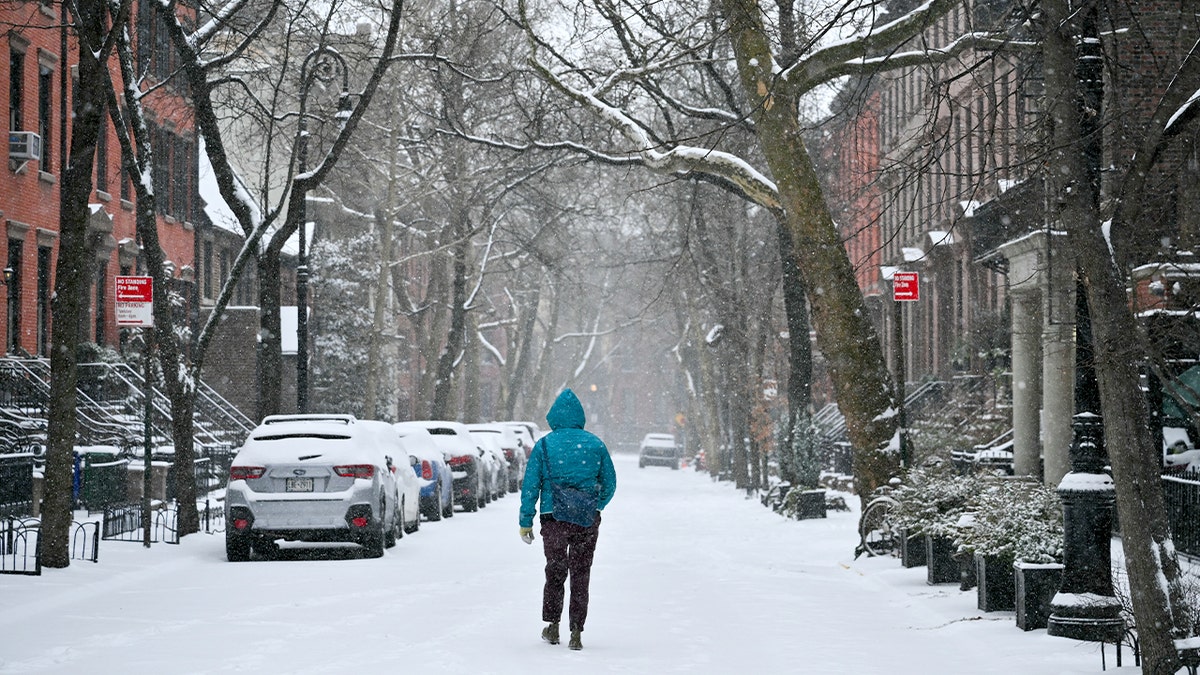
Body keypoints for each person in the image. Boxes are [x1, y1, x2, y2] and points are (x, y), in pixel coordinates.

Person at [519, 388, 617, 651]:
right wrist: (596, 506)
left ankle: (552, 625)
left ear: (554, 416)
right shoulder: (595, 445)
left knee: (555, 569)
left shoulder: (545, 445)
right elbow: (610, 483)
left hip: (553, 518)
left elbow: (531, 486)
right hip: (585, 519)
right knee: (581, 573)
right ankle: (576, 630)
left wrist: (525, 520)